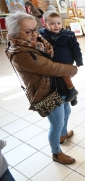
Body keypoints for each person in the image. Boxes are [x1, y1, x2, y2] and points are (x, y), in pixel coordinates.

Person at [5, 12, 77, 164]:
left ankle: (63, 134)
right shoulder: (19, 53)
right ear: (15, 33)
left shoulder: (36, 41)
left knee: (67, 112)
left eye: (35, 29)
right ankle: (56, 153)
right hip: (46, 92)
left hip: (57, 85)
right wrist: (72, 69)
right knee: (56, 124)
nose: (34, 34)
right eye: (28, 31)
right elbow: (52, 68)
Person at [39, 11, 83, 105]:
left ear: (61, 24)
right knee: (61, 79)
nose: (56, 26)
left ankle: (71, 91)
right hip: (52, 61)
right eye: (52, 23)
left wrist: (79, 60)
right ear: (45, 25)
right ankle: (72, 96)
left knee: (64, 76)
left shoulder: (68, 35)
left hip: (65, 60)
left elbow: (76, 48)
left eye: (58, 23)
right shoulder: (42, 34)